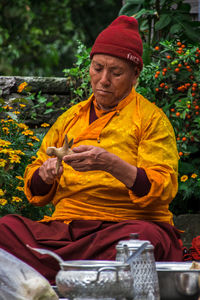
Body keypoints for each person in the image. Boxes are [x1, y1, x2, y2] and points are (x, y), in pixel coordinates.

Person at [0, 15, 183, 284]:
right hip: (68, 229)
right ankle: (86, 275)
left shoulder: (150, 119)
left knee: (146, 241)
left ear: (135, 76)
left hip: (124, 228)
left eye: (116, 72)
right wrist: (46, 174)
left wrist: (112, 164)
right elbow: (34, 189)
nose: (103, 80)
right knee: (6, 229)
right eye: (97, 68)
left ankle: (61, 275)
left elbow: (164, 186)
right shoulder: (70, 118)